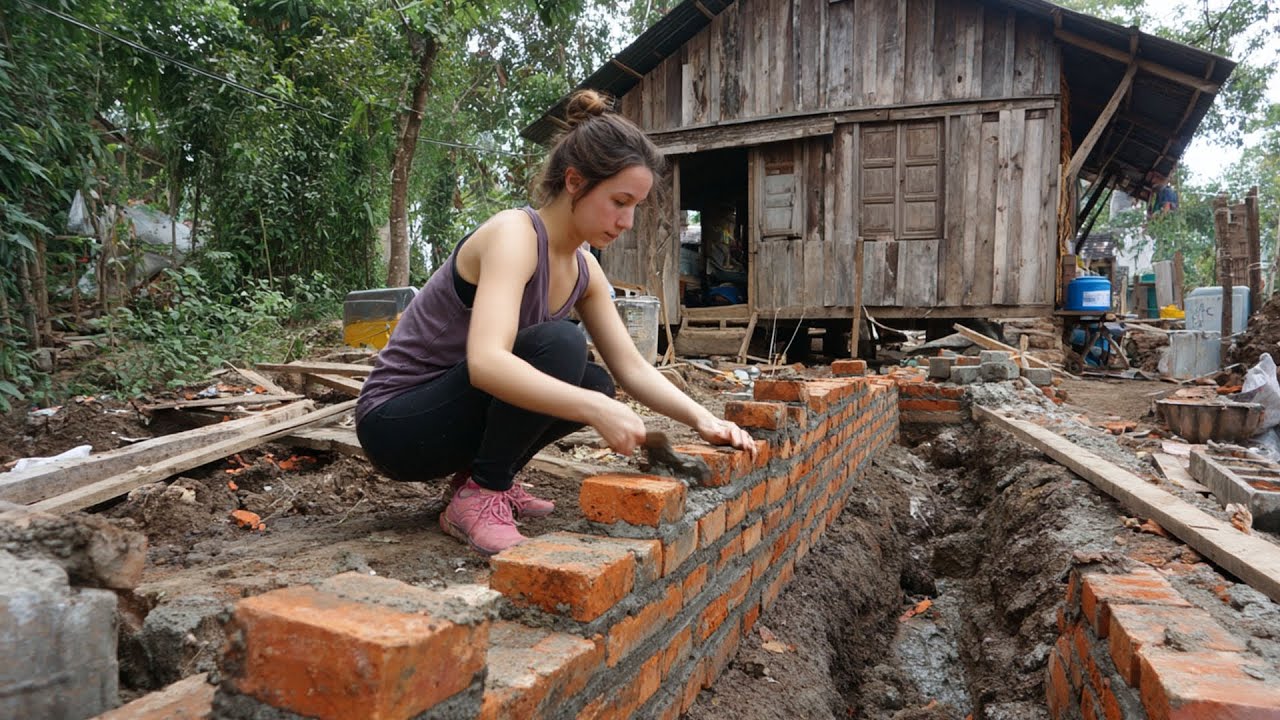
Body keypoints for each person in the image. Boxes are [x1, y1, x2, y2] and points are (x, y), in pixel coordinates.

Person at [355, 90, 757, 555]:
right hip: (397, 424)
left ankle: (480, 481)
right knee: (560, 347)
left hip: (445, 421)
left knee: (596, 380)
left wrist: (705, 419)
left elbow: (632, 368)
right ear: (574, 181)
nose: (626, 221)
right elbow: (486, 363)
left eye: (635, 207)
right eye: (618, 201)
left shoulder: (585, 270)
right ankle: (483, 494)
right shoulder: (514, 235)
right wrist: (593, 411)